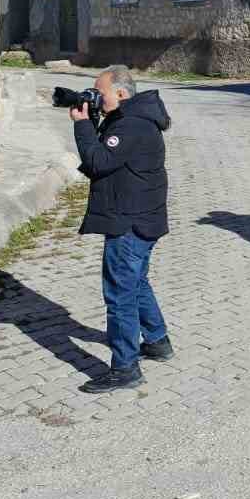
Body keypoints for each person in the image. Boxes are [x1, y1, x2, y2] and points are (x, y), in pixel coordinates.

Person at [69, 65, 173, 394]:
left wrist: (83, 126)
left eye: (100, 93)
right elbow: (103, 162)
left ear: (122, 94)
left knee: (120, 295)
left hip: (129, 222)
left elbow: (98, 162)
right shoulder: (131, 119)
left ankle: (125, 367)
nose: (95, 98)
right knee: (136, 282)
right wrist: (95, 122)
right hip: (143, 218)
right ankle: (156, 341)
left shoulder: (130, 125)